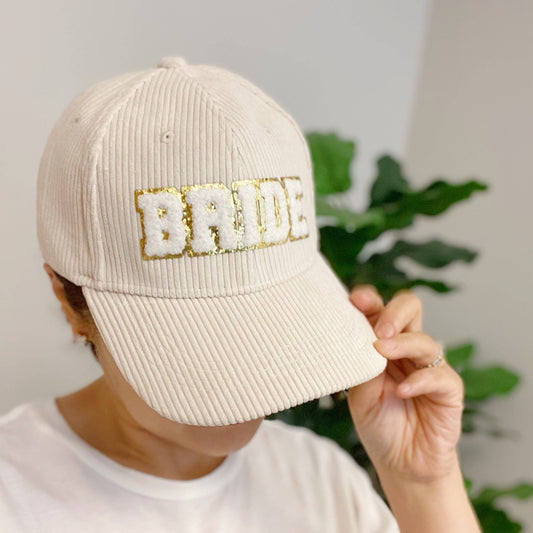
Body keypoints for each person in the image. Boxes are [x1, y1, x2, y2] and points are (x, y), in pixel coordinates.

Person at [0, 56, 481, 532]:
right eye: (196, 339)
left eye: (273, 322)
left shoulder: (321, 477)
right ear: (69, 303)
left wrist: (424, 485)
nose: (248, 382)